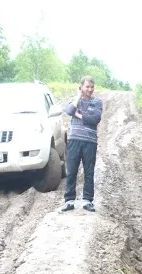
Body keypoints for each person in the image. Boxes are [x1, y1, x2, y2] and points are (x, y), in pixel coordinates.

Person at [60, 76, 104, 212]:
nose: (90, 89)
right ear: (81, 87)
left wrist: (79, 116)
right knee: (71, 171)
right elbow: (68, 111)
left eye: (92, 87)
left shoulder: (97, 102)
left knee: (89, 172)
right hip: (74, 140)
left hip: (90, 142)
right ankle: (69, 200)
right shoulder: (75, 100)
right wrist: (78, 96)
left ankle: (87, 200)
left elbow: (95, 119)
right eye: (87, 87)